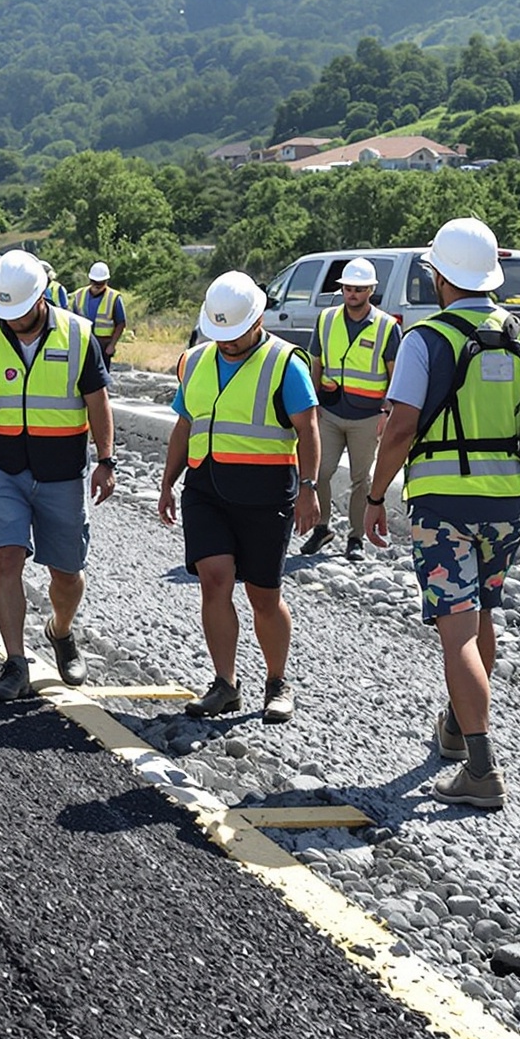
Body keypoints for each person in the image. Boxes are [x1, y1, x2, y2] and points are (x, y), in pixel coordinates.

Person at [361, 218, 520, 811]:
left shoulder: (425, 340)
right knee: (480, 618)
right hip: (506, 504)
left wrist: (375, 497)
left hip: (443, 506)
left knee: (456, 632)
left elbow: (400, 428)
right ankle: (456, 726)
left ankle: (480, 768)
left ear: (437, 275)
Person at [0, 251, 116, 701]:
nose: (13, 321)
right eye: (7, 312)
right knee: (7, 558)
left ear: (41, 297)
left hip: (60, 470)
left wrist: (106, 460)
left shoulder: (78, 335)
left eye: (21, 312)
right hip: (0, 464)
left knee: (67, 572)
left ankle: (60, 631)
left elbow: (98, 402)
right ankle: (15, 663)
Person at [158, 271, 321, 725]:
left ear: (258, 319)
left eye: (235, 334)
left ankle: (277, 682)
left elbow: (307, 430)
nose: (227, 343)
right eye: (220, 335)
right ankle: (225, 685)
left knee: (263, 595)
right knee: (213, 579)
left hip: (266, 492)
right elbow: (184, 426)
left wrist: (309, 490)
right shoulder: (194, 361)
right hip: (206, 487)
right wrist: (168, 482)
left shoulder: (285, 363)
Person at [305, 257, 400, 560]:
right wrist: (312, 401)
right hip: (330, 411)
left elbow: (395, 375)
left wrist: (387, 413)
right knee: (320, 471)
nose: (352, 294)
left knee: (362, 479)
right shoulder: (327, 319)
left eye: (359, 289)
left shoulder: (387, 327)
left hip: (367, 416)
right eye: (348, 288)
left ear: (371, 290)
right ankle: (322, 529)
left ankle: (355, 539)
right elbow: (316, 363)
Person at [72, 262, 129, 381]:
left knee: (100, 380)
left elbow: (121, 323)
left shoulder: (114, 297)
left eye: (101, 283)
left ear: (106, 281)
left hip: (103, 345)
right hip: (83, 343)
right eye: (95, 282)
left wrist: (112, 345)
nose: (97, 285)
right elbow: (72, 320)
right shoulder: (79, 295)